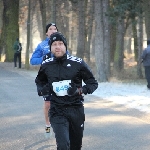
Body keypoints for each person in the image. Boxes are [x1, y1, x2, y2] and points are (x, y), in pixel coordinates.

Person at [35, 32, 98, 149]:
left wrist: (79, 90)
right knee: (63, 145)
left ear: (65, 46)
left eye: (60, 43)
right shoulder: (46, 65)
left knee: (75, 146)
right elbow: (39, 82)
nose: (57, 46)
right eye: (54, 44)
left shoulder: (77, 63)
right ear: (51, 48)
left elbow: (93, 83)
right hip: (57, 110)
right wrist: (44, 90)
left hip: (76, 110)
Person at [30, 23, 58, 134]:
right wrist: (44, 58)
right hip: (46, 79)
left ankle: (60, 124)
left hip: (60, 77)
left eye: (55, 29)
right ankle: (47, 124)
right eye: (50, 29)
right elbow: (32, 61)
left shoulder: (61, 43)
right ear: (47, 32)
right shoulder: (42, 46)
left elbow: (68, 58)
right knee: (48, 104)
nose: (53, 30)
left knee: (62, 102)